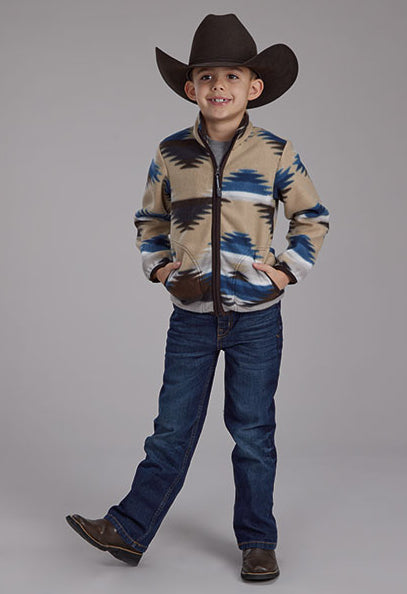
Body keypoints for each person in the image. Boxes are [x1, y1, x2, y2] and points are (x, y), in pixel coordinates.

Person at [66, 13, 330, 582]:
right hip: (190, 317)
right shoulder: (171, 153)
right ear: (191, 88)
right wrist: (162, 269)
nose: (219, 86)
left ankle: (258, 542)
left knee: (253, 434)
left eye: (232, 76)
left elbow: (311, 217)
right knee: (171, 429)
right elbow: (149, 220)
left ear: (253, 87)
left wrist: (285, 273)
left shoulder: (276, 152)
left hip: (257, 319)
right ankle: (129, 531)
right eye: (207, 76)